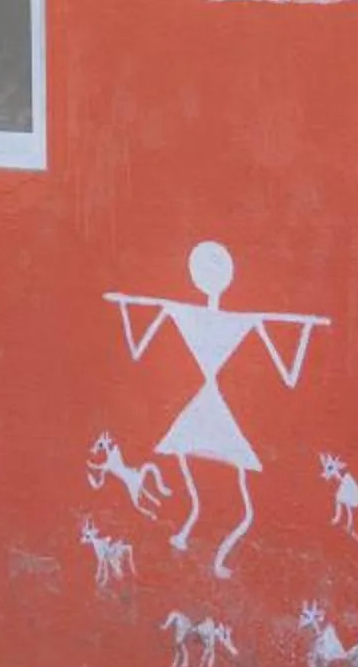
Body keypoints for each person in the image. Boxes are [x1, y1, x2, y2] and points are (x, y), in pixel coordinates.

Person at [106, 242, 325, 577]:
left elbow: (288, 372)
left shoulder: (199, 315)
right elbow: (289, 371)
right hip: (206, 416)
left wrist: (129, 308)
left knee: (231, 505)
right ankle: (199, 544)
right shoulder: (201, 315)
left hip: (210, 417)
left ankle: (200, 545)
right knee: (236, 506)